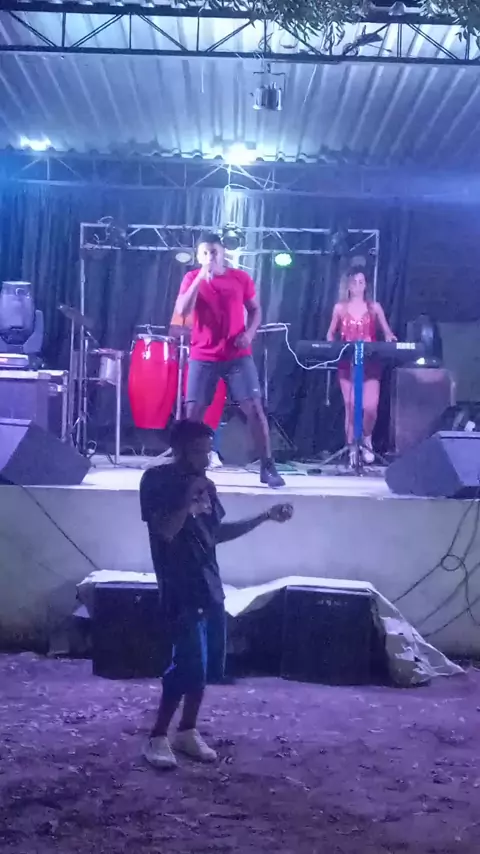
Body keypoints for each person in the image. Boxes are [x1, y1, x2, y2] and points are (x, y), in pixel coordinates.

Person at [139, 419, 294, 770]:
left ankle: (187, 730)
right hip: (180, 587)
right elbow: (165, 532)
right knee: (187, 664)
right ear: (178, 450)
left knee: (207, 667)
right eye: (199, 451)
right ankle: (157, 736)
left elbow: (215, 534)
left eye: (209, 451)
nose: (206, 459)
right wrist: (188, 497)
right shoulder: (156, 480)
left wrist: (264, 517)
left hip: (209, 585)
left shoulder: (206, 485)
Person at [174, 231, 284, 488]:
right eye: (205, 253)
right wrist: (201, 277)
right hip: (203, 355)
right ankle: (187, 468)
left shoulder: (239, 278)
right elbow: (182, 310)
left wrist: (250, 333)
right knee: (193, 414)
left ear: (223, 253)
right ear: (198, 256)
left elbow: (255, 310)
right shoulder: (191, 278)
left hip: (236, 355)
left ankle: (267, 466)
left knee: (254, 409)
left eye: (214, 252)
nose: (210, 257)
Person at [326, 266, 396, 465]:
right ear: (348, 286)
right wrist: (331, 344)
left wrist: (390, 337)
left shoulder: (374, 307)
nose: (357, 286)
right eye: (354, 282)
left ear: (366, 285)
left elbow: (387, 332)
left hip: (370, 363)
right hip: (347, 363)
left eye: (361, 282)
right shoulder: (340, 308)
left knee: (370, 407)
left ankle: (366, 438)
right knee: (351, 406)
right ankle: (352, 448)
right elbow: (330, 333)